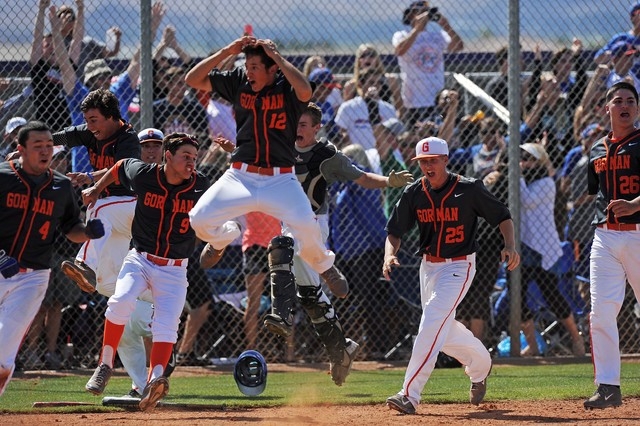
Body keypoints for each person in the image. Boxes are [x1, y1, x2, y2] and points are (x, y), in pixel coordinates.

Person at [184, 36, 349, 299]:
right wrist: (227, 50)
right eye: (247, 65)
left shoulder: (288, 88)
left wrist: (280, 58)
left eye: (255, 67)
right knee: (198, 218)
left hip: (280, 180)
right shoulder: (239, 82)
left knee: (307, 224)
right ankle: (221, 238)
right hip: (241, 175)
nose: (249, 72)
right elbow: (193, 79)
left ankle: (325, 267)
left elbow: (307, 92)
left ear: (272, 69)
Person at [382, 136, 520, 415]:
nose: (427, 166)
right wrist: (389, 253)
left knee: (432, 320)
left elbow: (502, 215)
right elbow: (394, 231)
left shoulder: (468, 189)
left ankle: (409, 394)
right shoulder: (413, 192)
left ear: (446, 160)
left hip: (459, 265)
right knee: (441, 330)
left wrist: (509, 245)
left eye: (433, 160)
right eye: (422, 162)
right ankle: (481, 365)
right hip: (428, 267)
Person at [82, 132, 209, 411]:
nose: (191, 163)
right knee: (120, 301)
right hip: (141, 259)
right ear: (168, 157)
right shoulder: (144, 174)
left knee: (166, 325)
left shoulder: (201, 185)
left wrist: (218, 241)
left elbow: (217, 212)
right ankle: (104, 365)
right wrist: (95, 189)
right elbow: (118, 167)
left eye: (194, 158)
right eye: (185, 157)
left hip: (175, 270)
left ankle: (154, 382)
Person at [0, 121, 104, 396]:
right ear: (20, 149)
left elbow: (71, 228)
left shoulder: (60, 186)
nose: (45, 151)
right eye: (38, 146)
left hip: (33, 276)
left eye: (49, 146)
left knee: (3, 353)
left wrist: (88, 232)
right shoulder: (3, 177)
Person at [584, 81, 640, 409]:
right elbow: (597, 194)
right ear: (607, 108)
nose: (625, 104)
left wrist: (634, 204)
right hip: (604, 236)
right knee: (601, 311)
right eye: (618, 100)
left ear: (636, 108)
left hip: (638, 232)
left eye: (630, 101)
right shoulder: (596, 149)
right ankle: (608, 386)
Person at [518, 142, 585, 358]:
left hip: (541, 248)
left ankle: (576, 338)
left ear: (539, 161)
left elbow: (527, 201)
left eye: (528, 158)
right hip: (524, 245)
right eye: (521, 158)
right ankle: (533, 345)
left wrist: (515, 177)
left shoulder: (546, 181)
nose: (523, 162)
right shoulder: (524, 180)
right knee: (516, 296)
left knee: (552, 294)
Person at [392, 1, 463, 127]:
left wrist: (446, 25)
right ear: (410, 15)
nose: (424, 14)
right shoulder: (401, 35)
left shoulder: (437, 35)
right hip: (414, 101)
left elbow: (458, 46)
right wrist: (417, 29)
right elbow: (399, 50)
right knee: (417, 134)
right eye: (418, 11)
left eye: (426, 10)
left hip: (437, 99)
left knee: (437, 128)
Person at [30, 0, 72, 133]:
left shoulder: (67, 67)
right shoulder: (39, 67)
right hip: (45, 129)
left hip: (67, 129)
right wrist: (41, 10)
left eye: (55, 45)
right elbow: (37, 38)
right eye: (47, 46)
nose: (52, 49)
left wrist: (81, 9)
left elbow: (76, 39)